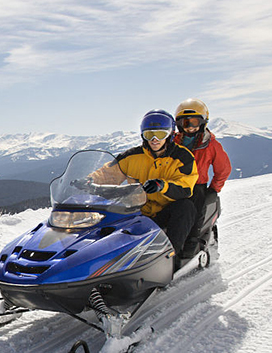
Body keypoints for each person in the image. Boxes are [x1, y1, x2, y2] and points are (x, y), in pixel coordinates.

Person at [89, 110, 198, 261]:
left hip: (166, 212)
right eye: (149, 135)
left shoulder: (183, 157)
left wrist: (162, 185)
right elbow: (109, 173)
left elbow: (185, 186)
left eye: (160, 134)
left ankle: (171, 256)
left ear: (170, 134)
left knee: (186, 206)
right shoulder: (132, 156)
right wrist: (89, 180)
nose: (154, 139)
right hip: (138, 211)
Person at [173, 98, 231, 257]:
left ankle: (193, 238)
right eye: (186, 123)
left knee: (196, 206)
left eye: (194, 122)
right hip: (173, 184)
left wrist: (214, 189)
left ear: (203, 122)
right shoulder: (173, 140)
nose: (190, 127)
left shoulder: (210, 144)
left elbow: (223, 168)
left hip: (196, 185)